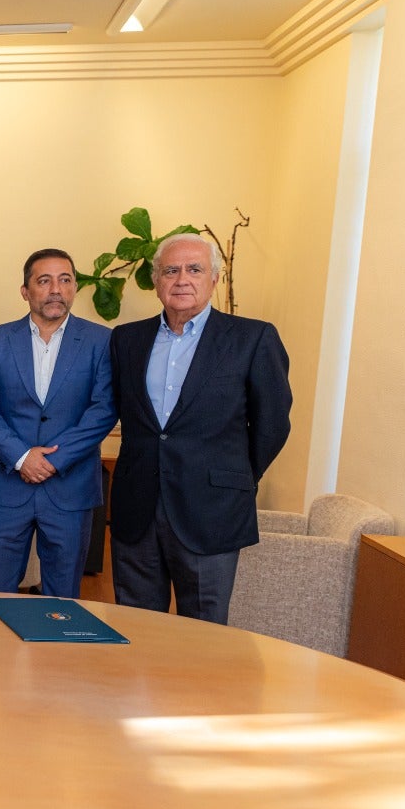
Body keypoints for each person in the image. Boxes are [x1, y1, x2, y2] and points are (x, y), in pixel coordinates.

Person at [109, 232, 292, 623]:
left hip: (212, 510)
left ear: (214, 279)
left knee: (204, 633)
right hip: (137, 506)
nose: (182, 280)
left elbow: (272, 424)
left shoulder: (252, 338)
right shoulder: (127, 339)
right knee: (135, 627)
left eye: (194, 269)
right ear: (156, 280)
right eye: (170, 270)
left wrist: (234, 475)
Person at [0, 249, 116, 598]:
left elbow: (104, 410)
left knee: (62, 600)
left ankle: (57, 654)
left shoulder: (102, 341)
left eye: (65, 280)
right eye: (44, 280)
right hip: (7, 487)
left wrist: (52, 459)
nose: (56, 289)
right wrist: (22, 457)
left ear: (74, 287)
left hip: (70, 489)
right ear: (25, 290)